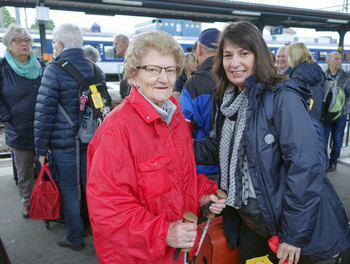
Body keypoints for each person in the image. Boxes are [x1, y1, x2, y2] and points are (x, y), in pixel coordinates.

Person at [194, 21, 350, 264]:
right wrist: (175, 144)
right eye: (228, 55)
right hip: (251, 222)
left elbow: (306, 167)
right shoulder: (226, 98)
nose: (234, 63)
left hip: (286, 229)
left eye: (244, 53)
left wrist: (293, 235)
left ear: (258, 56)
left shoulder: (281, 97)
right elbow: (217, 148)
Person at [86, 30, 226, 264]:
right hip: (137, 256)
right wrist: (165, 232)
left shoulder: (175, 116)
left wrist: (203, 193)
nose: (164, 78)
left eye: (170, 70)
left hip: (175, 252)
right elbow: (108, 210)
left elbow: (181, 176)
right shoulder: (117, 129)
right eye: (153, 69)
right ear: (133, 75)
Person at [34, 23, 104, 251]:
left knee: (70, 189)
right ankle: (97, 229)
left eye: (54, 44)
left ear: (60, 44)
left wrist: (41, 150)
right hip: (92, 141)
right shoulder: (96, 70)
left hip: (64, 144)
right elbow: (103, 108)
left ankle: (74, 236)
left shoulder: (54, 69)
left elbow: (44, 113)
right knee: (91, 187)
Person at [0, 24, 44, 218]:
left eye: (27, 40)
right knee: (25, 170)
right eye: (19, 41)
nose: (24, 44)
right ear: (8, 44)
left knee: (45, 168)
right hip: (19, 130)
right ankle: (28, 202)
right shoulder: (2, 68)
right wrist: (6, 116)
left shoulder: (41, 65)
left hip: (44, 127)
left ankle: (46, 200)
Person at [179, 28, 220, 183]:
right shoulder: (235, 77)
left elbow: (183, 131)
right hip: (234, 168)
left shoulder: (194, 84)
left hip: (204, 170)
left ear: (199, 49)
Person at [324, 51, 350, 172]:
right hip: (326, 115)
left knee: (338, 139)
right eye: (336, 59)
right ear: (328, 61)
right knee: (323, 139)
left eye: (340, 59)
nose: (339, 61)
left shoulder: (346, 76)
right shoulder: (322, 75)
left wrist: (343, 111)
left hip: (340, 115)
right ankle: (323, 161)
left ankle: (333, 162)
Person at [285, 42, 325, 122]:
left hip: (302, 119)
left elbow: (294, 102)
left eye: (288, 56)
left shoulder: (297, 75)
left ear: (294, 57)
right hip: (317, 116)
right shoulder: (318, 70)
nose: (287, 59)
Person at [113, 34, 130, 99]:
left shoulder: (134, 59)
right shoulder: (127, 58)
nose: (115, 47)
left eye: (116, 44)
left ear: (125, 43)